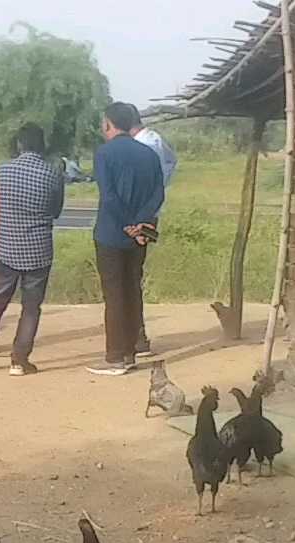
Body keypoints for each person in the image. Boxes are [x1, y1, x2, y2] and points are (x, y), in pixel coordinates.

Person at [0, 123, 65, 377]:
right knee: (31, 307)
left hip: (7, 247)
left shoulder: (3, 171)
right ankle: (19, 361)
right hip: (38, 248)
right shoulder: (52, 173)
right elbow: (56, 211)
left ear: (20, 144)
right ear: (41, 144)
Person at [86, 102, 164, 376]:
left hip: (110, 232)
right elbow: (158, 194)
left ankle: (115, 356)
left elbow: (108, 196)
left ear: (108, 124)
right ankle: (131, 350)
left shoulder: (104, 154)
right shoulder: (149, 155)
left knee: (114, 293)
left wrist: (127, 223)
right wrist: (140, 223)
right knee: (133, 288)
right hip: (140, 235)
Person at [127, 104, 178, 357]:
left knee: (131, 274)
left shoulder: (142, 146)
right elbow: (172, 162)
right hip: (152, 216)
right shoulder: (156, 139)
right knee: (135, 272)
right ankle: (137, 335)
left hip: (141, 218)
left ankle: (137, 338)